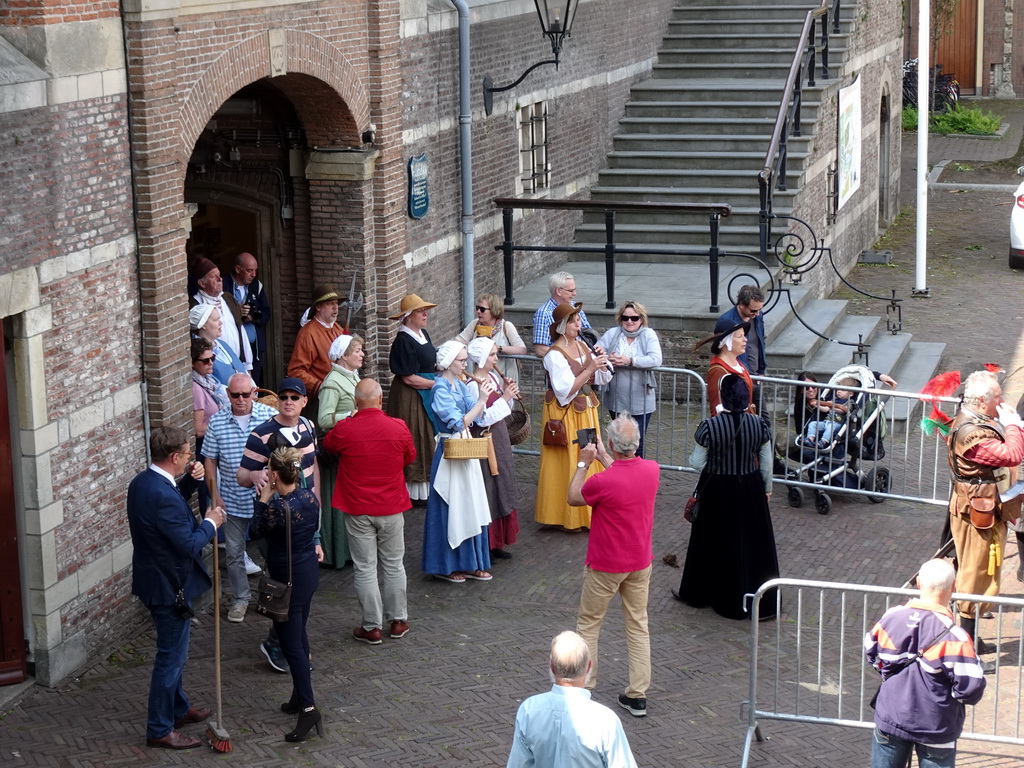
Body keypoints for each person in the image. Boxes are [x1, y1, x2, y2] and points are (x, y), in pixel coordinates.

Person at [126, 426, 224, 750]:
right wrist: (211, 523)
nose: (188, 458)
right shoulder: (160, 494)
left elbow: (169, 505)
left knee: (173, 653)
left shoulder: (144, 482)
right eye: (186, 455)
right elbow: (186, 545)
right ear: (174, 456)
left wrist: (192, 482)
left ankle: (179, 709)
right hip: (168, 588)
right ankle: (159, 728)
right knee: (171, 658)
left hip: (155, 579)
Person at [568, 415, 660, 718]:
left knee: (589, 625)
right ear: (637, 444)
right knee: (638, 626)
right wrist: (605, 457)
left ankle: (585, 687)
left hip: (606, 565)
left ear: (610, 443)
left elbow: (573, 497)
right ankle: (638, 695)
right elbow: (625, 475)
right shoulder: (652, 470)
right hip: (639, 561)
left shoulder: (602, 481)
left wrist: (584, 462)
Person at [674, 374, 779, 620]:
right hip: (751, 487)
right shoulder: (759, 425)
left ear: (723, 397)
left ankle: (702, 593)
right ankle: (757, 599)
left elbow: (696, 462)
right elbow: (766, 462)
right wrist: (767, 488)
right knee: (753, 543)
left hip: (718, 488)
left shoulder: (709, 427)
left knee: (711, 541)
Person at [865, 558, 986, 768]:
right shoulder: (955, 637)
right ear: (953, 586)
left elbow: (871, 653)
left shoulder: (890, 618)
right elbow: (971, 688)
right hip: (936, 724)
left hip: (891, 716)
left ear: (919, 582)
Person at [238, 376, 321, 673]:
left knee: (298, 588)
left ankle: (285, 642)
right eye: (283, 397)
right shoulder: (262, 434)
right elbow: (241, 475)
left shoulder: (308, 427)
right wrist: (256, 477)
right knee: (282, 585)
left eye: (294, 397)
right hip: (273, 518)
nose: (288, 402)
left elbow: (313, 471)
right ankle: (281, 643)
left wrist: (317, 520)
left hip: (303, 514)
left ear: (303, 402)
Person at [323, 379, 416, 644]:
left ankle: (371, 626)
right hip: (391, 505)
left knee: (365, 568)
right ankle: (398, 620)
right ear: (380, 400)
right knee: (394, 564)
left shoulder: (346, 429)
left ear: (355, 402)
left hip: (358, 507)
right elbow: (409, 458)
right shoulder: (398, 427)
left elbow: (328, 446)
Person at [249, 446, 325, 742]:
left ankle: (308, 708)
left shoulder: (277, 508)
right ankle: (297, 695)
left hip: (288, 581)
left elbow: (253, 532)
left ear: (275, 474)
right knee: (300, 635)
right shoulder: (308, 498)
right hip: (307, 574)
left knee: (290, 643)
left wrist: (263, 498)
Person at [945, 370, 1023, 652]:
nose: (1002, 401)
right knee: (975, 572)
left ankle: (970, 637)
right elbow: (1012, 455)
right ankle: (963, 646)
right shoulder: (972, 433)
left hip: (988, 507)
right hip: (977, 512)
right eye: (998, 396)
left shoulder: (979, 420)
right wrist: (1014, 425)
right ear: (981, 401)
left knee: (982, 572)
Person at [423, 340, 501, 583]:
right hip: (450, 451)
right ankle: (446, 564)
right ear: (448, 362)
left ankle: (472, 561)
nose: (465, 363)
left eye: (466, 359)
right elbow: (458, 423)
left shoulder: (458, 385)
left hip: (465, 449)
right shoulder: (440, 389)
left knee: (470, 504)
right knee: (451, 505)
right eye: (461, 360)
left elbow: (477, 418)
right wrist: (480, 400)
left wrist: (482, 396)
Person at [203, 373, 278, 623]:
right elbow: (210, 460)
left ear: (254, 392)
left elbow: (280, 456)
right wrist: (214, 495)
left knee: (271, 553)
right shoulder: (217, 422)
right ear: (228, 395)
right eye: (235, 395)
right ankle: (240, 599)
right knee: (234, 554)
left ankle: (270, 596)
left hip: (265, 500)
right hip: (233, 501)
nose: (241, 399)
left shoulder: (268, 417)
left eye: (246, 394)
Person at [506, 630, 638, 768]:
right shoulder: (606, 720)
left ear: (551, 667)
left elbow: (518, 763)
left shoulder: (529, 709)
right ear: (588, 667)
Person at [535, 302, 610, 530]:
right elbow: (564, 390)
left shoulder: (582, 345)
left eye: (578, 320)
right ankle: (565, 516)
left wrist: (602, 366)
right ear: (562, 326)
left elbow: (600, 380)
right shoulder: (554, 355)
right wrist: (589, 369)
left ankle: (587, 513)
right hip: (565, 414)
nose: (579, 324)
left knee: (591, 455)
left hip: (585, 409)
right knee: (568, 459)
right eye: (574, 321)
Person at [466, 337, 520, 559]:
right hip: (485, 440)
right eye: (491, 355)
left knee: (502, 484)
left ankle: (498, 541)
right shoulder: (471, 386)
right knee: (488, 487)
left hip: (499, 438)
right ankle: (487, 542)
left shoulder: (491, 377)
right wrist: (504, 398)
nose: (496, 358)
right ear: (480, 358)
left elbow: (504, 408)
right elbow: (480, 419)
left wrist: (508, 395)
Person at [316, 333, 365, 568]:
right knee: (338, 499)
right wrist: (352, 415)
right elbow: (323, 419)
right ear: (344, 356)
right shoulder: (332, 382)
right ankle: (335, 551)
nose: (362, 354)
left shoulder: (352, 376)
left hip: (351, 451)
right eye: (357, 351)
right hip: (337, 453)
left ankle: (350, 549)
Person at [385, 293, 439, 503]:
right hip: (411, 396)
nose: (425, 314)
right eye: (419, 311)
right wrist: (438, 383)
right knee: (416, 435)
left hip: (425, 390)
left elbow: (427, 363)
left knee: (427, 435)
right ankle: (414, 491)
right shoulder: (403, 341)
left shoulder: (423, 334)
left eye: (424, 310)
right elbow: (408, 378)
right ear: (408, 316)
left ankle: (427, 485)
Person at [595, 300, 663, 458]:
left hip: (641, 400)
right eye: (625, 318)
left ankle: (638, 478)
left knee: (636, 443)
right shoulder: (613, 333)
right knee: (619, 442)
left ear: (642, 319)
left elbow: (655, 359)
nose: (630, 322)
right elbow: (597, 352)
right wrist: (606, 356)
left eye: (634, 318)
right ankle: (620, 476)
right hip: (616, 399)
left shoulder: (648, 334)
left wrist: (630, 361)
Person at [190, 256, 253, 372]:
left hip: (237, 364)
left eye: (219, 275)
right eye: (214, 277)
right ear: (201, 283)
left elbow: (240, 330)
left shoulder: (228, 298)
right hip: (214, 368)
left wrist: (247, 366)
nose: (220, 279)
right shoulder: (195, 306)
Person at [190, 338, 229, 513]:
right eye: (206, 360)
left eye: (212, 358)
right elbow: (198, 429)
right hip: (206, 448)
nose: (211, 363)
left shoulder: (209, 381)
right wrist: (222, 423)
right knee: (213, 490)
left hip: (215, 444)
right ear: (193, 363)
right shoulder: (197, 389)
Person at [454, 293, 528, 381]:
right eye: (477, 308)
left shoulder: (506, 326)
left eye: (482, 309)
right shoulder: (475, 324)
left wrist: (499, 349)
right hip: (483, 380)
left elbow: (522, 350)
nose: (478, 311)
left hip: (504, 380)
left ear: (493, 311)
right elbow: (457, 342)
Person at [287, 284, 344, 398]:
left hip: (341, 393)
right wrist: (321, 387)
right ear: (318, 307)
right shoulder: (308, 334)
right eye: (330, 303)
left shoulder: (338, 329)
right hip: (320, 398)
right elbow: (296, 371)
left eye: (336, 303)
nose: (335, 307)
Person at [223, 252, 271, 387]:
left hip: (253, 347)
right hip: (232, 346)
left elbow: (266, 313)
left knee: (253, 384)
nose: (254, 274)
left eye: (255, 270)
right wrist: (236, 310)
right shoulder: (223, 285)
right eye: (250, 271)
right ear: (238, 269)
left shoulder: (257, 286)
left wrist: (252, 317)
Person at [695, 315, 755, 416]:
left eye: (744, 335)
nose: (745, 339)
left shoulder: (739, 365)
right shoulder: (718, 370)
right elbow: (716, 408)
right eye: (740, 336)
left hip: (745, 423)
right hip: (732, 428)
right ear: (727, 342)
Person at [531, 271, 592, 357]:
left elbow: (589, 335)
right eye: (571, 291)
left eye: (574, 290)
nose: (575, 294)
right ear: (558, 291)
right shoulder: (544, 313)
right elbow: (540, 349)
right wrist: (570, 357)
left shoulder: (575, 308)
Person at [190, 304, 246, 386]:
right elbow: (211, 386)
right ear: (203, 325)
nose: (221, 323)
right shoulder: (200, 355)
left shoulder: (223, 345)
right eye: (216, 320)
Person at [798, 377, 856, 449]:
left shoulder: (849, 402)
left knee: (830, 427)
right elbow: (826, 409)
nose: (838, 391)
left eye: (842, 390)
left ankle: (823, 442)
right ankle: (810, 439)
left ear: (850, 394)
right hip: (826, 422)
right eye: (838, 389)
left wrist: (832, 406)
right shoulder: (834, 399)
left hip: (837, 424)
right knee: (813, 424)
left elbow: (842, 410)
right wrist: (818, 406)